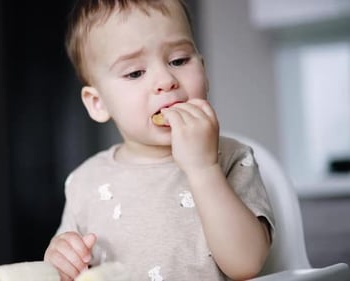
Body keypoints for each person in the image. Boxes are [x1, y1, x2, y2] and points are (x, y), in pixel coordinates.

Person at [44, 0, 275, 280]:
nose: (166, 80)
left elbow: (247, 263)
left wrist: (204, 169)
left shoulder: (231, 157)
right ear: (98, 103)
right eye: (135, 73)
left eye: (178, 60)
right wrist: (61, 259)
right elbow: (66, 268)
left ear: (204, 70)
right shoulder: (85, 182)